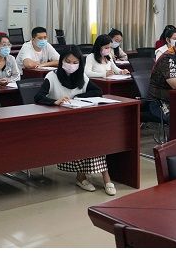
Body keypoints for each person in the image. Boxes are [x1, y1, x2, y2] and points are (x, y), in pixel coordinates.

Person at [34, 46, 115, 195]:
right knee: (87, 137)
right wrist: (55, 101)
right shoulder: (52, 76)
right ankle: (103, 178)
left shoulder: (81, 76)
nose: (71, 65)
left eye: (75, 62)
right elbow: (38, 97)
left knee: (95, 136)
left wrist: (77, 97)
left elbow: (97, 91)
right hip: (59, 123)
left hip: (79, 121)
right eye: (68, 61)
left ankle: (89, 176)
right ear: (61, 61)